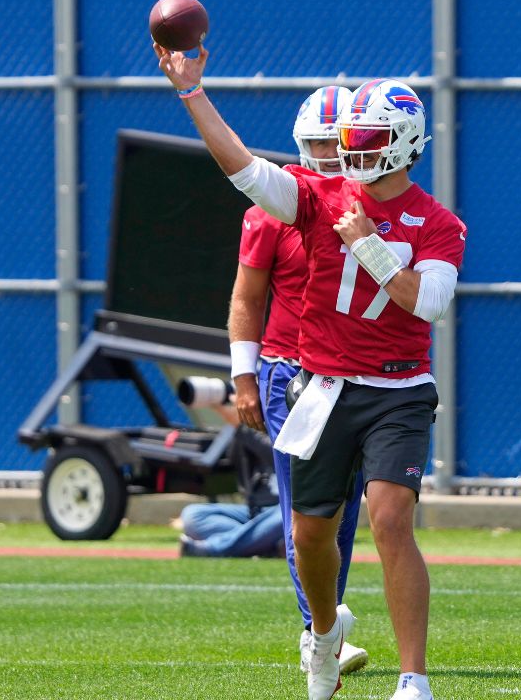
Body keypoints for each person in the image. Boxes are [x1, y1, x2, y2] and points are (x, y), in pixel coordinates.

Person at [156, 44, 465, 700]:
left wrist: (368, 245)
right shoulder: (319, 196)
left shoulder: (438, 223)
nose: (352, 148)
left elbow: (429, 303)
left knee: (389, 519)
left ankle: (414, 678)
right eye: (351, 136)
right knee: (310, 533)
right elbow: (243, 169)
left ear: (405, 143)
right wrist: (191, 93)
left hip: (399, 389)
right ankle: (323, 633)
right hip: (324, 388)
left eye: (368, 137)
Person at [229, 86, 368, 676]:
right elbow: (247, 297)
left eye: (335, 143)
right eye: (317, 143)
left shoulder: (370, 203)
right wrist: (244, 376)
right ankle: (321, 631)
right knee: (305, 512)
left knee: (347, 510)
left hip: (357, 373)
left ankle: (324, 624)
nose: (327, 155)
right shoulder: (274, 207)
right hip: (291, 371)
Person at [178, 427, 284, 559]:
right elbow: (233, 459)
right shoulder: (252, 427)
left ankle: (213, 548)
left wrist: (243, 429)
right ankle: (265, 545)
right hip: (256, 511)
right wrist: (238, 427)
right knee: (194, 514)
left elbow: (280, 458)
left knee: (289, 513)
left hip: (284, 512)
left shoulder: (290, 426)